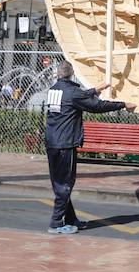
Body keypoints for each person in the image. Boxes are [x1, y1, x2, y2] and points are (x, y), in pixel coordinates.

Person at [42, 61, 134, 234]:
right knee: (65, 184)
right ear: (72, 74)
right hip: (65, 144)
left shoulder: (54, 90)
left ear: (58, 74)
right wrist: (123, 104)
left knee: (60, 183)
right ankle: (55, 223)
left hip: (52, 142)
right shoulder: (72, 92)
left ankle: (70, 219)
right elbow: (96, 106)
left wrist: (95, 90)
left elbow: (79, 97)